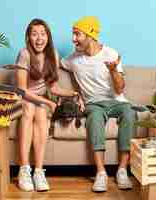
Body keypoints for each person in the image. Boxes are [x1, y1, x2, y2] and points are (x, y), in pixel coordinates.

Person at [61, 16, 137, 192]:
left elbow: (119, 90)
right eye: (73, 34)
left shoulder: (110, 54)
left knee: (130, 113)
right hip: (94, 104)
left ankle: (122, 171)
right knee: (94, 118)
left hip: (116, 101)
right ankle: (101, 173)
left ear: (90, 35)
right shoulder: (73, 59)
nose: (73, 39)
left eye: (77, 34)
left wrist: (113, 72)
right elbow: (52, 64)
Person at [16, 18, 78, 192]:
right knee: (29, 108)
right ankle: (24, 169)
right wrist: (48, 102)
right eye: (34, 34)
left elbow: (53, 87)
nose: (39, 38)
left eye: (43, 34)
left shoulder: (53, 55)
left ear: (48, 37)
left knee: (41, 112)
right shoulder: (24, 54)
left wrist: (74, 93)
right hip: (24, 97)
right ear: (28, 37)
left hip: (40, 100)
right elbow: (21, 90)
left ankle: (38, 171)